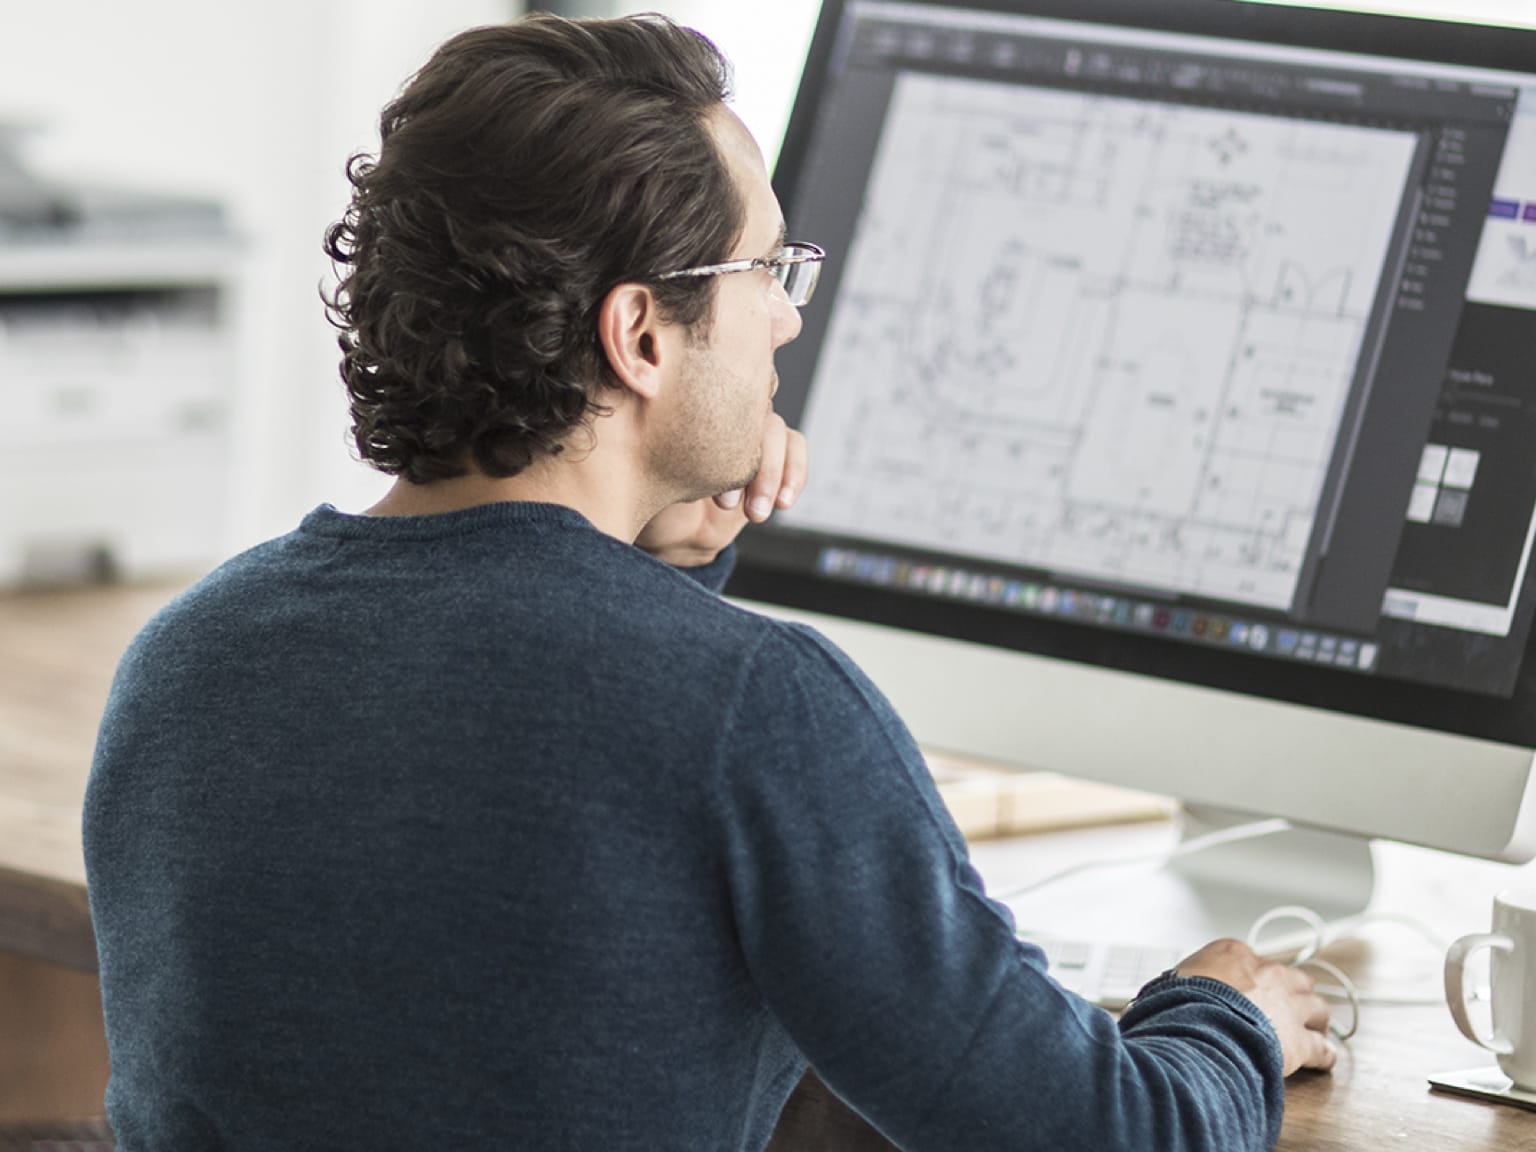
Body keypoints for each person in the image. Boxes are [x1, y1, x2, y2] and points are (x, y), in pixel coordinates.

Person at [84, 13, 1333, 1152]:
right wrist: (1228, 1016)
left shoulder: (193, 654)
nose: (788, 323)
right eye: (769, 275)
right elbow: (1108, 1137)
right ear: (639, 336)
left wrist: (653, 556)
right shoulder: (750, 707)